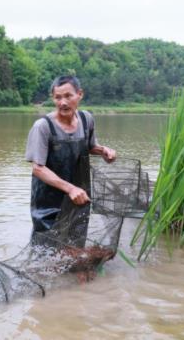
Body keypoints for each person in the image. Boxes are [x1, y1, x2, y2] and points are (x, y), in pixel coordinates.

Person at [25, 75, 116, 248]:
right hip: (49, 200)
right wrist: (70, 188)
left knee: (76, 241)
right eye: (58, 97)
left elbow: (89, 146)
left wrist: (104, 151)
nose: (63, 103)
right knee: (46, 248)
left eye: (68, 96)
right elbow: (38, 168)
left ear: (80, 94)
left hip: (79, 195)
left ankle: (76, 271)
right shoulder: (42, 127)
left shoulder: (86, 119)